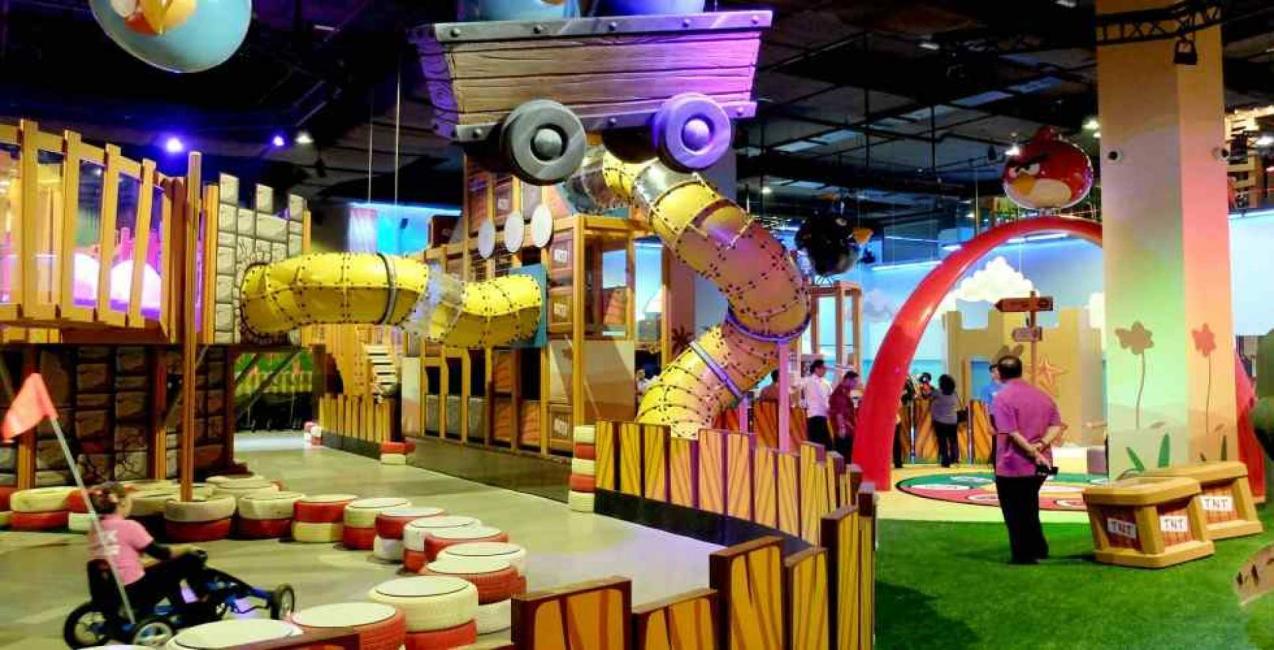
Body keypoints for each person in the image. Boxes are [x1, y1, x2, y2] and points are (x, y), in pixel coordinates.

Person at [86, 483, 210, 612]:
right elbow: (161, 553)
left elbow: (120, 560)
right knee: (190, 558)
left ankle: (181, 607)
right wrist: (187, 547)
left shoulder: (95, 528)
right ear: (122, 502)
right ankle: (204, 601)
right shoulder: (129, 526)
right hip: (134, 592)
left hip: (108, 592)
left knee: (166, 570)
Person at [991, 356, 1066, 565]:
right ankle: (1038, 548)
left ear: (1000, 373)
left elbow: (1012, 432)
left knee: (1014, 511)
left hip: (1013, 464)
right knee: (1029, 505)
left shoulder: (1002, 398)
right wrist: (1040, 446)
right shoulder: (1042, 396)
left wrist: (1032, 452)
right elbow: (1056, 425)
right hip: (1041, 465)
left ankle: (1023, 554)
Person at [931, 374, 962, 467]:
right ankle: (954, 458)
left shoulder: (938, 392)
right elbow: (958, 403)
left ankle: (945, 461)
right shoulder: (954, 393)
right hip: (952, 420)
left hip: (940, 421)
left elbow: (928, 396)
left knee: (942, 441)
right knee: (953, 440)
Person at [828, 370, 860, 459]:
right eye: (855, 382)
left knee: (846, 455)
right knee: (844, 456)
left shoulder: (845, 392)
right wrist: (841, 428)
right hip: (845, 430)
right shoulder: (840, 393)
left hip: (848, 428)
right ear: (848, 380)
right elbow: (839, 413)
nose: (856, 384)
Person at [802, 359, 832, 447]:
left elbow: (830, 396)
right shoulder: (807, 380)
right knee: (815, 443)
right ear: (816, 369)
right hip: (813, 414)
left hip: (823, 414)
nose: (825, 370)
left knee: (825, 443)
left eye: (826, 368)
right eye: (823, 368)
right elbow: (793, 388)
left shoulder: (826, 383)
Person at [980, 364, 1005, 467]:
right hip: (994, 417)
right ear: (991, 374)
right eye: (993, 371)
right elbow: (985, 407)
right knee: (996, 442)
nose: (996, 373)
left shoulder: (1007, 387)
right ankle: (996, 466)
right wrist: (989, 424)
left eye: (998, 371)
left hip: (1007, 418)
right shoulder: (987, 388)